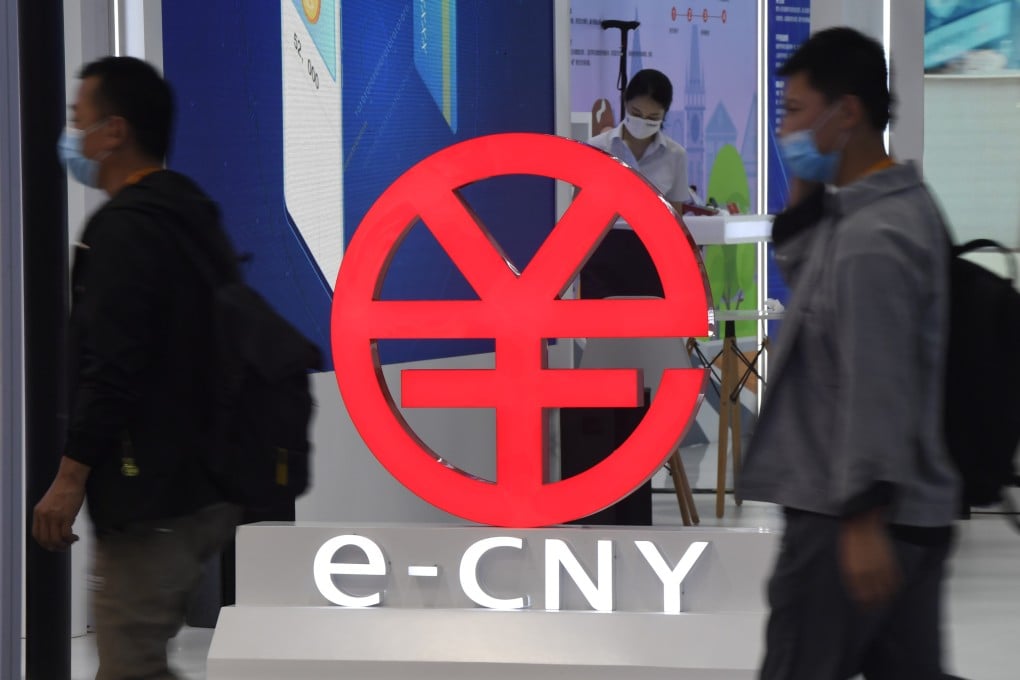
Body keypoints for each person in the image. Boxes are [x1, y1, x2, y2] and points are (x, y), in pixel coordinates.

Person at [738, 28, 961, 679]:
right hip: (901, 511)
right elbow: (805, 267)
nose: (785, 129)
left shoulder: (873, 238)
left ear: (847, 113)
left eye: (795, 111)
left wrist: (861, 520)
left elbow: (876, 382)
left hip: (845, 515)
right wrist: (805, 185)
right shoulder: (886, 209)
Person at [32, 56, 242, 680]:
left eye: (79, 120)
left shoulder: (123, 230)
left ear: (115, 131)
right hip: (203, 485)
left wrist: (69, 479)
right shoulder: (192, 214)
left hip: (149, 496)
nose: (73, 136)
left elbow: (113, 366)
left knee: (129, 664)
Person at [581, 68, 689, 299]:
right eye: (636, 113)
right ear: (625, 104)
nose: (643, 122)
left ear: (664, 115)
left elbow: (675, 218)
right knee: (603, 319)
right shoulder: (598, 147)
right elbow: (579, 210)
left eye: (652, 118)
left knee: (650, 319)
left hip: (653, 254)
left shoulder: (675, 155)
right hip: (603, 250)